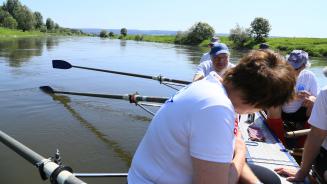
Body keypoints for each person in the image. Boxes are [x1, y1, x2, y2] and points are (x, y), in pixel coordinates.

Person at [128, 49, 296, 184]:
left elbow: (235, 140)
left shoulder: (209, 84)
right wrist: (241, 150)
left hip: (147, 174)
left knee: (267, 179)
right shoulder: (216, 109)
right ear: (259, 102)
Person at [275, 71, 327, 183]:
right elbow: (317, 135)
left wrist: (312, 99)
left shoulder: (312, 78)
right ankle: (278, 141)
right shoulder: (325, 93)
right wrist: (303, 171)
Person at [266, 50, 319, 147]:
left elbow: (316, 97)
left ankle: (303, 145)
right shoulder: (279, 74)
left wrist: (311, 98)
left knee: (314, 105)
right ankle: (280, 143)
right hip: (281, 112)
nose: (291, 70)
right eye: (289, 66)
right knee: (273, 104)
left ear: (304, 66)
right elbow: (270, 97)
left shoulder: (310, 76)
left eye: (296, 68)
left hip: (301, 112)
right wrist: (293, 97)